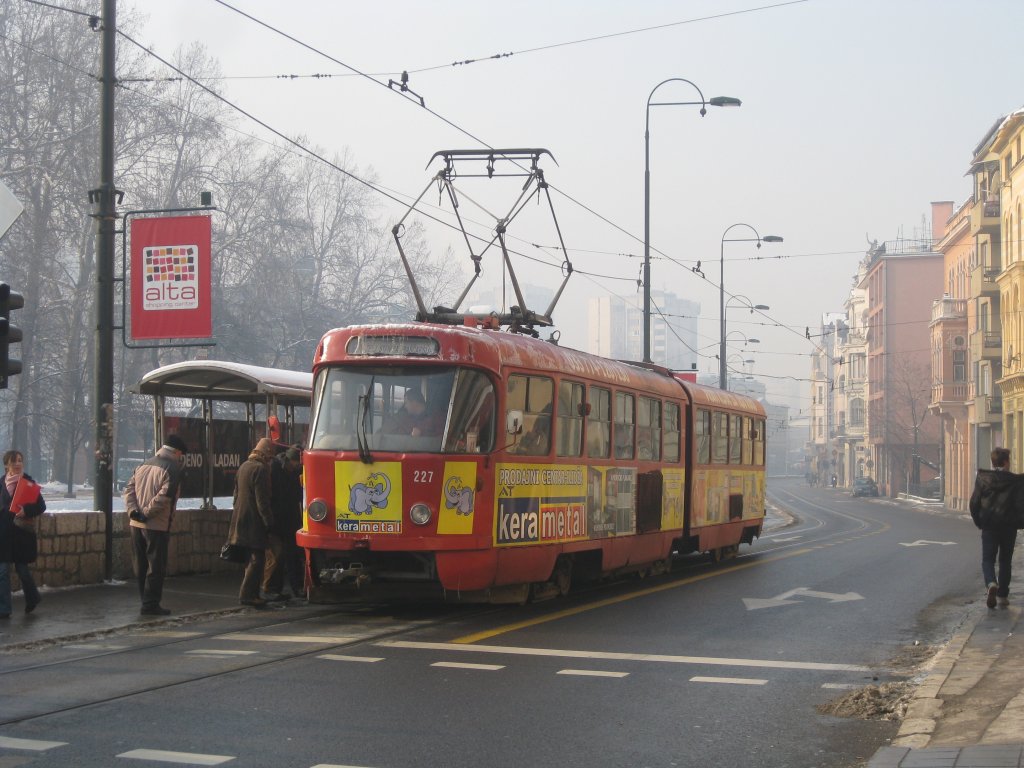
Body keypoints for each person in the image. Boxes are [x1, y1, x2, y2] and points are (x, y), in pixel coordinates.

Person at [123, 434, 187, 616]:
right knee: (156, 566)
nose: (180, 458)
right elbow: (164, 498)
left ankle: (145, 599)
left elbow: (128, 490)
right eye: (180, 454)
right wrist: (147, 514)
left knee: (141, 564)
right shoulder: (172, 469)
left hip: (135, 523)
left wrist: (133, 511)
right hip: (156, 525)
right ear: (176, 452)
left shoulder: (143, 465)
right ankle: (151, 604)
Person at [969, 447, 1023, 609]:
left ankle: (991, 582)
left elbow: (974, 503)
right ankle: (1002, 596)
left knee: (988, 559)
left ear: (993, 462)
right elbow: (1021, 504)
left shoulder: (983, 479)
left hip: (989, 526)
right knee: (1005, 560)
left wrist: (979, 521)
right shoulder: (1016, 481)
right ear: (1006, 462)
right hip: (1009, 527)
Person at [228, 437, 276, 608]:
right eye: (270, 457)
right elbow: (261, 500)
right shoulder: (260, 469)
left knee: (251, 559)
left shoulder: (243, 466)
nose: (270, 461)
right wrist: (268, 521)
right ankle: (248, 595)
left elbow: (235, 495)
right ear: (266, 454)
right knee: (257, 559)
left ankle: (253, 594)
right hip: (254, 520)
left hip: (240, 517)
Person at [1, 450, 47, 618]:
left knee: (22, 571)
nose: (18, 464)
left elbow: (41, 506)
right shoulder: (0, 484)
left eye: (20, 460)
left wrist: (25, 510)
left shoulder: (28, 483)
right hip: (3, 534)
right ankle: (4, 609)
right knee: (2, 572)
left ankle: (32, 597)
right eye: (14, 461)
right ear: (7, 465)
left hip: (21, 534)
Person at [262, 444, 305, 601]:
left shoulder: (287, 469)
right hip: (279, 518)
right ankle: (273, 588)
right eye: (296, 463)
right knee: (278, 556)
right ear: (290, 460)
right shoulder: (275, 469)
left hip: (290, 517)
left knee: (290, 555)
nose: (297, 466)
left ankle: (291, 587)